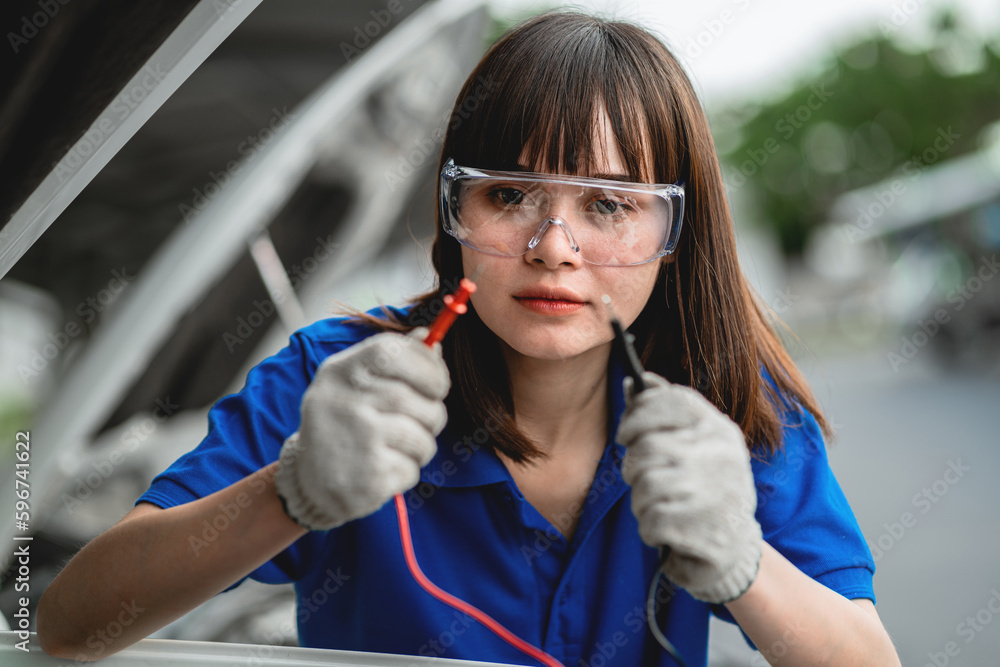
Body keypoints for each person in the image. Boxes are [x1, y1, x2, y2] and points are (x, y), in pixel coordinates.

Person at [36, 11, 900, 666]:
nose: (553, 247)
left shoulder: (729, 405)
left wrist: (745, 563)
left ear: (677, 233)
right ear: (455, 213)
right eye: (509, 195)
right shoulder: (337, 380)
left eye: (609, 205)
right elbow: (69, 626)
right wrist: (287, 492)